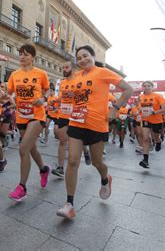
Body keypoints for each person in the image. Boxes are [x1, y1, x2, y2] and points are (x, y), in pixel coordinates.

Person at [57, 45, 133, 219]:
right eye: (79, 58)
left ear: (93, 56)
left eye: (85, 56)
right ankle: (69, 204)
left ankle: (106, 178)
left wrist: (116, 107)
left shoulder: (102, 72)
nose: (82, 60)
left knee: (96, 162)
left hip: (97, 125)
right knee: (73, 161)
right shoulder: (76, 77)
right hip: (76, 122)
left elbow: (128, 89)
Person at [7, 44, 51, 202]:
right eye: (20, 54)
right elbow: (9, 93)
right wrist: (4, 97)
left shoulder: (41, 74)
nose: (22, 57)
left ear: (33, 57)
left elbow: (47, 90)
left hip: (37, 115)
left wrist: (44, 99)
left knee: (23, 149)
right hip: (21, 116)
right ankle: (44, 169)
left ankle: (22, 187)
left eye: (26, 54)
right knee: (32, 149)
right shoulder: (14, 75)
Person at [52, 60, 75, 178]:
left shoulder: (78, 81)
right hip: (63, 114)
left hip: (75, 116)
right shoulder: (62, 83)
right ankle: (60, 168)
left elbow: (85, 97)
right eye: (63, 68)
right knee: (62, 141)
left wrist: (75, 95)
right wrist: (55, 100)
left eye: (66, 67)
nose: (64, 70)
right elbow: (61, 97)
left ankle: (85, 151)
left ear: (72, 69)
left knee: (73, 143)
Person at [138, 81, 165, 168]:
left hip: (157, 120)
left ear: (152, 87)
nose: (146, 87)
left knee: (155, 137)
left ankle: (158, 142)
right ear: (142, 87)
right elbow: (141, 107)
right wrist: (139, 110)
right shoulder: (141, 96)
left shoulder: (158, 96)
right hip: (145, 120)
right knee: (146, 139)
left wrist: (153, 113)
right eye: (144, 86)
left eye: (148, 86)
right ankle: (145, 160)